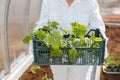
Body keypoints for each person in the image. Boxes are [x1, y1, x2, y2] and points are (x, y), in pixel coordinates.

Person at [35, 0, 108, 80]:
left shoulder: (90, 2)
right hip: (56, 53)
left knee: (78, 77)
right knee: (59, 77)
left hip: (81, 53)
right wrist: (37, 42)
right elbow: (41, 25)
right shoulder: (49, 2)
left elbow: (98, 27)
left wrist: (103, 48)